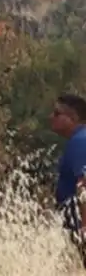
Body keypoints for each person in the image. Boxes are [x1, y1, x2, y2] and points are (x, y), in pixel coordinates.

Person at [50, 93, 86, 268]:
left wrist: (84, 227)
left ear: (73, 118)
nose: (52, 117)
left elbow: (84, 184)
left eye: (57, 114)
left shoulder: (80, 142)